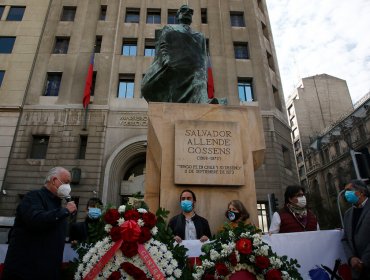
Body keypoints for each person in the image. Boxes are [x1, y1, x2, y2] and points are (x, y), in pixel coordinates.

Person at [2, 167, 77, 280]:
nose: (68, 187)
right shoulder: (33, 197)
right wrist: (65, 211)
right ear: (54, 180)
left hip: (48, 271)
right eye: (66, 182)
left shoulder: (57, 205)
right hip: (26, 271)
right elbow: (36, 219)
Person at [141, 5, 225, 104]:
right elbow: (163, 45)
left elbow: (202, 56)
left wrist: (203, 72)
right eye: (183, 10)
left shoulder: (199, 36)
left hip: (193, 67)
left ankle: (203, 101)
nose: (187, 12)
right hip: (173, 65)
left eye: (190, 11)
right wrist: (166, 59)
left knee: (200, 77)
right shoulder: (170, 28)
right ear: (178, 16)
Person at [341, 180, 370, 280]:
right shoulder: (347, 214)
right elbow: (345, 239)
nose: (346, 194)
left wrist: (364, 261)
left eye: (349, 190)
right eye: (345, 191)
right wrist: (351, 258)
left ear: (361, 192)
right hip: (357, 272)